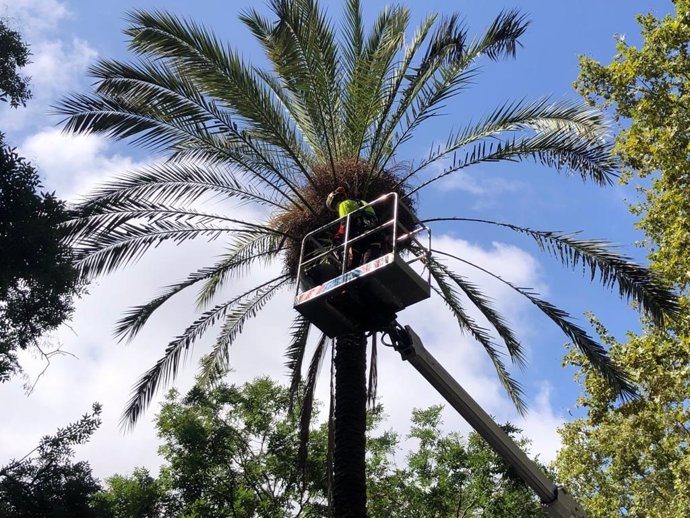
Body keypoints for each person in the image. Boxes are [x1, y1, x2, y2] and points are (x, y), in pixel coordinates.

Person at [326, 186, 382, 267]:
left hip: (361, 235)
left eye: (334, 206)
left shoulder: (343, 204)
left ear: (335, 202)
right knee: (370, 262)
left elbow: (345, 224)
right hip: (375, 234)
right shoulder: (362, 202)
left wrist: (337, 238)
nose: (336, 208)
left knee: (353, 266)